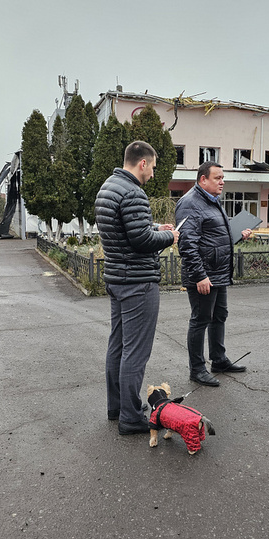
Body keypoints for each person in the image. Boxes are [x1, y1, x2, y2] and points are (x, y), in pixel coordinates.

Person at [94, 141, 179, 435]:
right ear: (142, 163)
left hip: (117, 278)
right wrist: (171, 238)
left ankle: (117, 408)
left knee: (117, 345)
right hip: (138, 283)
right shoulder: (133, 192)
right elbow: (141, 241)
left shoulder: (109, 187)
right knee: (136, 352)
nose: (153, 174)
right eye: (153, 167)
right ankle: (131, 418)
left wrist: (156, 227)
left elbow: (127, 231)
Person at [175, 161, 251, 387]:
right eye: (217, 178)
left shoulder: (212, 201)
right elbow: (187, 244)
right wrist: (199, 275)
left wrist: (236, 234)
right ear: (203, 180)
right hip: (204, 276)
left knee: (219, 317)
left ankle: (218, 360)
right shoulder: (190, 203)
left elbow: (214, 235)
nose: (222, 182)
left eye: (222, 177)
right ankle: (197, 369)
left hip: (217, 274)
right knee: (200, 320)